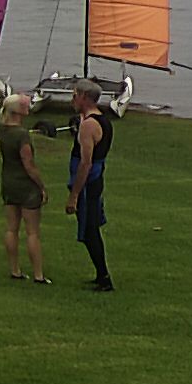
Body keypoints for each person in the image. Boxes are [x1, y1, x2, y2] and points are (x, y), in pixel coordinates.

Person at [65, 79, 114, 292]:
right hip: (94, 180)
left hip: (88, 183)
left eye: (75, 95)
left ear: (84, 97)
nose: (72, 100)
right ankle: (101, 275)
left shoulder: (89, 126)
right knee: (90, 228)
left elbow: (86, 163)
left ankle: (104, 278)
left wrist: (74, 195)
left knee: (89, 229)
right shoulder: (101, 121)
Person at [0, 94, 49, 283]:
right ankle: (38, 274)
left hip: (9, 181)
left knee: (12, 228)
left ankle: (15, 270)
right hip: (25, 185)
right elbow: (29, 164)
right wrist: (41, 185)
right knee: (32, 232)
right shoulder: (22, 135)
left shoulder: (2, 130)